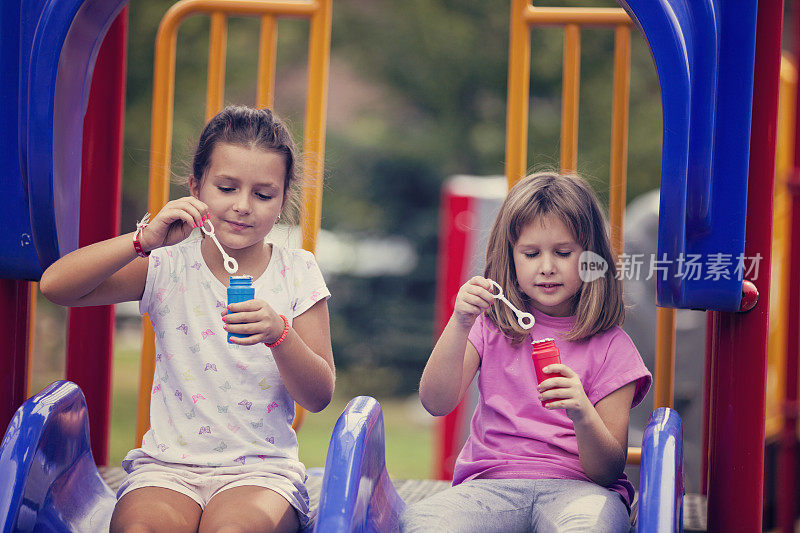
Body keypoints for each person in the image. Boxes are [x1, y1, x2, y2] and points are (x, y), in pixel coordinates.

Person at [40, 106, 335, 533]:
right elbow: (56, 287)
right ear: (196, 186)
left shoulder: (297, 271)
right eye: (227, 187)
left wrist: (281, 335)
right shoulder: (166, 263)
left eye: (263, 194)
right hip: (167, 468)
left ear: (284, 198)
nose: (242, 206)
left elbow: (320, 395)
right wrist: (142, 240)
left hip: (260, 472)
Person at [401, 172, 651, 532]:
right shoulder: (490, 326)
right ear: (511, 257)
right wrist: (459, 323)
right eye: (531, 253)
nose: (547, 266)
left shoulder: (613, 348)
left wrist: (582, 412)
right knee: (424, 523)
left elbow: (607, 470)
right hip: (489, 488)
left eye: (563, 253)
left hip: (581, 493)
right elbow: (435, 402)